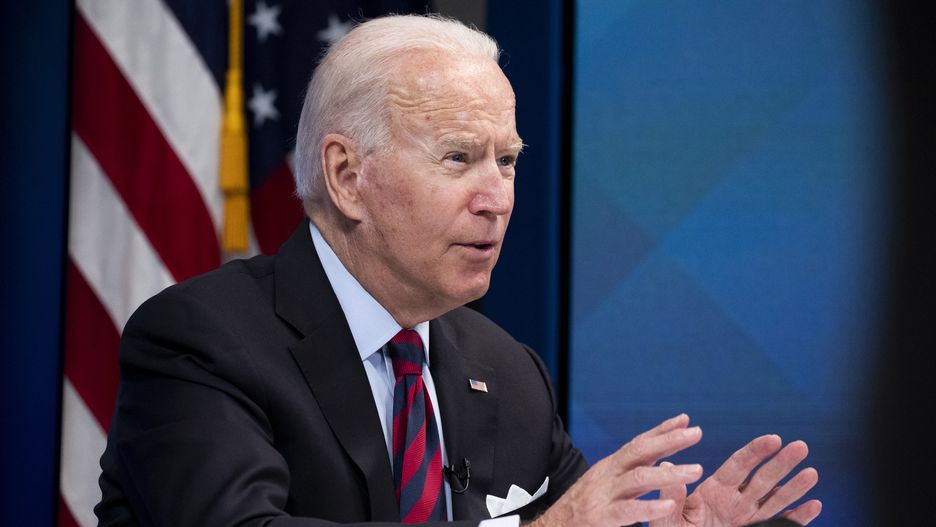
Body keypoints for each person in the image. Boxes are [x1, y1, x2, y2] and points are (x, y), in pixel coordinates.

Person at [96, 14, 821, 527]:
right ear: (347, 175)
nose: (498, 198)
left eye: (507, 160)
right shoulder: (201, 341)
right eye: (459, 158)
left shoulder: (508, 372)